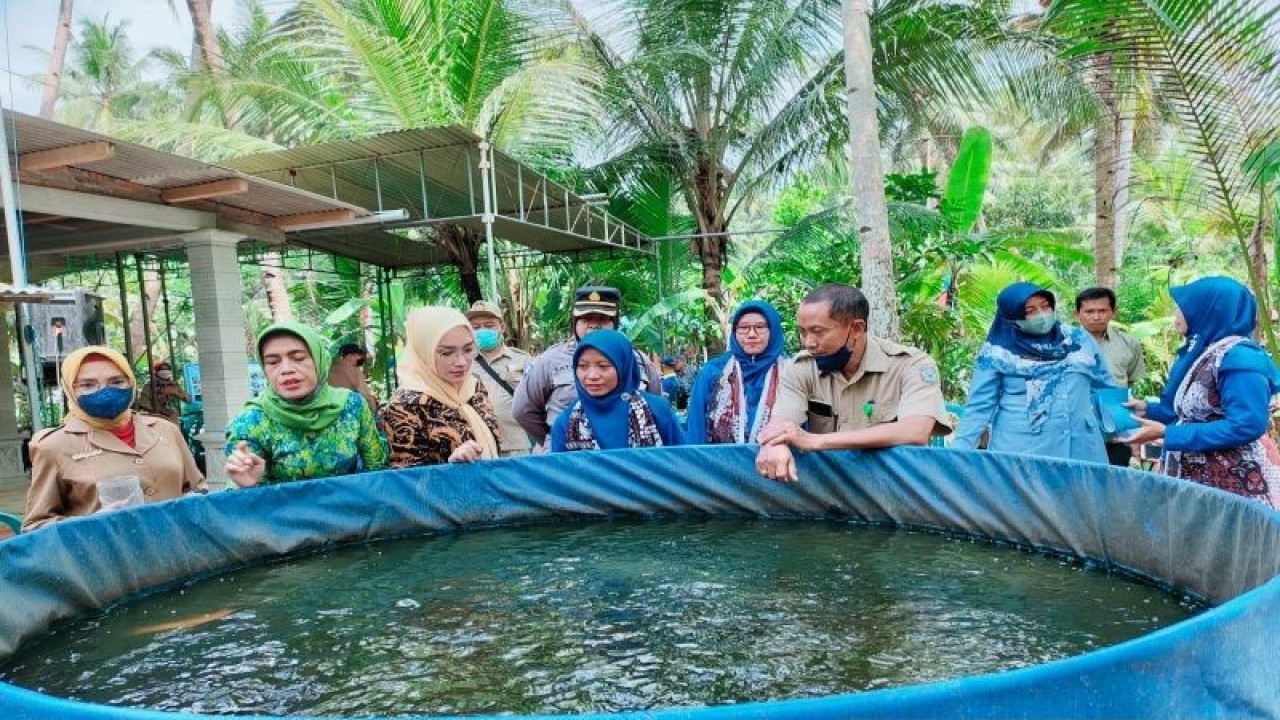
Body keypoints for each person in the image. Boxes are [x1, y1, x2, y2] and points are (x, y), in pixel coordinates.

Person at [755, 284, 952, 482]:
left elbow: (915, 431)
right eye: (803, 332)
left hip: (895, 487)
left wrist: (816, 441)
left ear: (856, 329)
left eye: (818, 331)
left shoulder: (910, 365)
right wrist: (775, 446)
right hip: (831, 488)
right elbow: (781, 426)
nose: (809, 343)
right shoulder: (802, 368)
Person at [1125, 277, 1280, 508]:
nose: (1177, 314)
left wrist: (1170, 435)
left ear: (1209, 310)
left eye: (1183, 308)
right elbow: (1196, 413)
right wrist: (1149, 410)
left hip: (1231, 482)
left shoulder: (1239, 357)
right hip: (1197, 478)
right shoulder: (1205, 351)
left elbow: (1247, 424)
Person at [24, 346, 206, 531]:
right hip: (105, 557)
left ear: (131, 382)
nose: (105, 391)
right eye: (88, 385)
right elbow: (35, 526)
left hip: (177, 552)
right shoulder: (53, 445)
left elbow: (197, 489)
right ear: (70, 390)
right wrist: (89, 525)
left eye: (117, 381)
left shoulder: (165, 429)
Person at [952, 282, 1115, 464]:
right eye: (1030, 311)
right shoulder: (996, 353)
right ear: (1012, 317)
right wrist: (957, 455)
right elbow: (979, 406)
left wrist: (1127, 431)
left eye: (1045, 306)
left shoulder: (1078, 339)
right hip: (1023, 452)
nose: (1041, 315)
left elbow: (1106, 386)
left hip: (1082, 449)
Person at [224, 322, 387, 486]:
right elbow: (241, 494)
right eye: (273, 362)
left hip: (350, 508)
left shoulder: (351, 405)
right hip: (281, 511)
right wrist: (249, 484)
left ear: (319, 360)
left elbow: (377, 469)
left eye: (298, 358)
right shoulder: (251, 421)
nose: (286, 369)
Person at [513, 286, 661, 448]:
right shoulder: (550, 361)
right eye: (586, 319)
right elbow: (523, 410)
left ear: (615, 323)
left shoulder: (637, 360)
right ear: (575, 322)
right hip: (567, 457)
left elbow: (655, 407)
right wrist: (553, 437)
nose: (594, 325)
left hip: (628, 456)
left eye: (603, 319)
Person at [380, 306, 501, 466]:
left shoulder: (473, 386)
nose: (461, 362)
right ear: (424, 351)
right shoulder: (405, 406)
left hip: (490, 486)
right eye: (446, 353)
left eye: (468, 349)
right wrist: (451, 465)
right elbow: (407, 480)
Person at [549, 329, 683, 451]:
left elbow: (683, 463)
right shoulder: (567, 423)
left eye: (603, 366)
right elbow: (559, 475)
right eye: (583, 366)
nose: (592, 376)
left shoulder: (657, 411)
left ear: (623, 367)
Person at [686, 299, 790, 444]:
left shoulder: (791, 372)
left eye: (760, 327)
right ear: (734, 332)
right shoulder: (714, 371)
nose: (752, 334)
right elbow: (696, 428)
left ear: (773, 330)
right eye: (743, 328)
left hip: (781, 463)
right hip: (720, 464)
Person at [1075, 287, 1146, 466]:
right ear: (1077, 314)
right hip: (1075, 428)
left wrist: (1134, 439)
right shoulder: (1064, 344)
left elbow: (1130, 384)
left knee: (1114, 482)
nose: (1096, 316)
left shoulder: (1129, 343)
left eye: (1102, 310)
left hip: (1115, 431)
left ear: (1113, 312)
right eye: (1089, 311)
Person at [466, 300, 534, 457]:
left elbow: (538, 400)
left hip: (516, 445)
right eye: (476, 327)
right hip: (477, 447)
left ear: (501, 327)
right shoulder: (464, 362)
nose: (482, 331)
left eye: (489, 325)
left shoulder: (522, 360)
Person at [328, 343, 380, 414]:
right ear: (350, 355)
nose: (358, 359)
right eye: (357, 355)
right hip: (345, 410)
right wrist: (374, 410)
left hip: (328, 408)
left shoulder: (329, 367)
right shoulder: (354, 370)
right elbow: (366, 394)